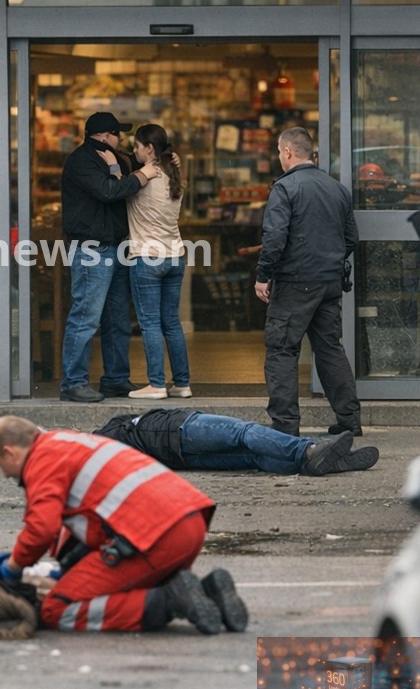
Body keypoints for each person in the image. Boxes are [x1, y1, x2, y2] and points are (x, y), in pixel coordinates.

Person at [0, 415, 247, 636]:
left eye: (0, 465)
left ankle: (169, 601)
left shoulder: (42, 459)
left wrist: (14, 566)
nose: (5, 474)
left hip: (154, 538)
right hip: (191, 522)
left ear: (9, 451)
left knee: (57, 608)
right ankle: (208, 594)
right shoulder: (69, 442)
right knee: (117, 586)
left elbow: (41, 528)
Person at [254, 127, 362, 437]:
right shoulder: (337, 188)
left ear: (288, 152)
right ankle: (350, 421)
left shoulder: (285, 188)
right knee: (330, 349)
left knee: (281, 350)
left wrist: (263, 275)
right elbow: (351, 238)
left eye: (279, 151)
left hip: (294, 282)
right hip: (329, 282)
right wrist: (328, 261)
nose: (279, 156)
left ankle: (285, 426)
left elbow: (275, 238)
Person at [59, 112, 160, 403]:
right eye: (118, 134)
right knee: (86, 317)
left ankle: (115, 379)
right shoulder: (81, 161)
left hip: (115, 247)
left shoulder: (113, 158)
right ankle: (73, 382)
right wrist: (141, 175)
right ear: (104, 136)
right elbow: (108, 191)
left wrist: (167, 160)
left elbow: (135, 168)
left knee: (117, 319)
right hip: (92, 250)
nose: (122, 139)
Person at [95, 408, 379, 475]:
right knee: (244, 432)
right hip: (179, 429)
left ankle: (319, 463)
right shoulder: (104, 438)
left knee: (251, 456)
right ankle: (309, 449)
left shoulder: (105, 456)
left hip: (179, 459)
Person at [125, 123, 191, 400]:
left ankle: (156, 384)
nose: (133, 150)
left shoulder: (142, 179)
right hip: (175, 256)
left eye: (137, 146)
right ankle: (182, 384)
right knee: (171, 323)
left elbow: (118, 188)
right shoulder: (174, 177)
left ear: (149, 148)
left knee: (150, 323)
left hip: (148, 257)